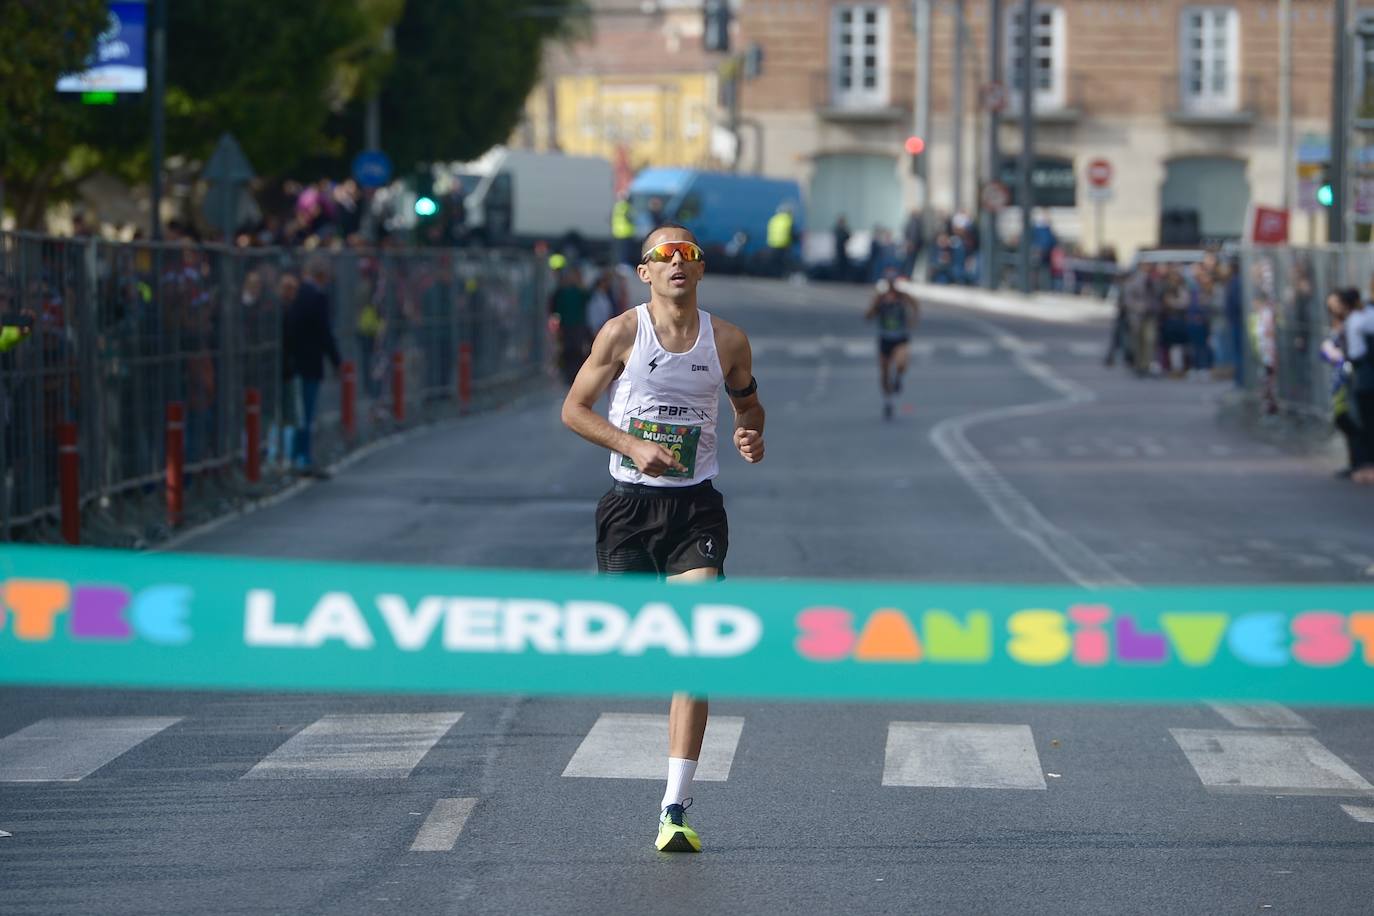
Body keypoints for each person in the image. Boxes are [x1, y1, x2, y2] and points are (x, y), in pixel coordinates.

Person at [560, 223, 765, 854]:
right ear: (644, 272)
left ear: (701, 270)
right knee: (635, 642)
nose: (678, 262)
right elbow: (574, 409)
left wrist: (751, 435)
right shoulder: (622, 333)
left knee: (694, 652)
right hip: (628, 506)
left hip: (696, 510)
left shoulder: (727, 340)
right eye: (664, 255)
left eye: (689, 254)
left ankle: (674, 807)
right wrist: (631, 445)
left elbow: (750, 408)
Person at [283, 258, 341, 477]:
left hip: (294, 363)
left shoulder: (297, 295)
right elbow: (324, 333)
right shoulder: (316, 297)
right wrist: (336, 361)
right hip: (308, 363)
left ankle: (295, 457)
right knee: (304, 413)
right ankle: (301, 458)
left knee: (298, 413)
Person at [865, 267, 920, 420]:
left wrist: (913, 320)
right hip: (885, 337)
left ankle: (898, 379)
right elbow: (868, 316)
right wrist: (875, 306)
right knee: (884, 373)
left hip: (900, 337)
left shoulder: (903, 297)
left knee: (901, 363)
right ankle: (888, 401)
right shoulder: (880, 298)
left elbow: (915, 305)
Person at [1322, 288, 1363, 479]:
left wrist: (1336, 354)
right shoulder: (1341, 323)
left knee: (1349, 419)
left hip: (1351, 377)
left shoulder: (1354, 322)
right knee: (1343, 417)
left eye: (1336, 305)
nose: (1333, 309)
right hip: (1341, 379)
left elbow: (1350, 352)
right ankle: (1355, 462)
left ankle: (1360, 463)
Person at [1347, 285, 1374, 483]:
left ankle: (1366, 465)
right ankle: (1363, 464)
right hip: (1360, 373)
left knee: (1366, 422)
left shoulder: (1365, 317)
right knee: (1362, 421)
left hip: (1364, 374)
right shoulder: (1360, 316)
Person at [549, 266, 591, 385]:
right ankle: (568, 376)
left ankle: (576, 376)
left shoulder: (578, 291)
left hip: (578, 326)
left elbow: (587, 298)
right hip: (566, 326)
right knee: (566, 351)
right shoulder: (561, 292)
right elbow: (554, 307)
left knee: (578, 351)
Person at [832, 215, 851, 282]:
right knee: (838, 265)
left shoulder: (843, 229)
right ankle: (838, 278)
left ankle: (843, 278)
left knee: (844, 265)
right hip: (839, 250)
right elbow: (842, 237)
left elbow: (848, 236)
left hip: (843, 250)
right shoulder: (837, 229)